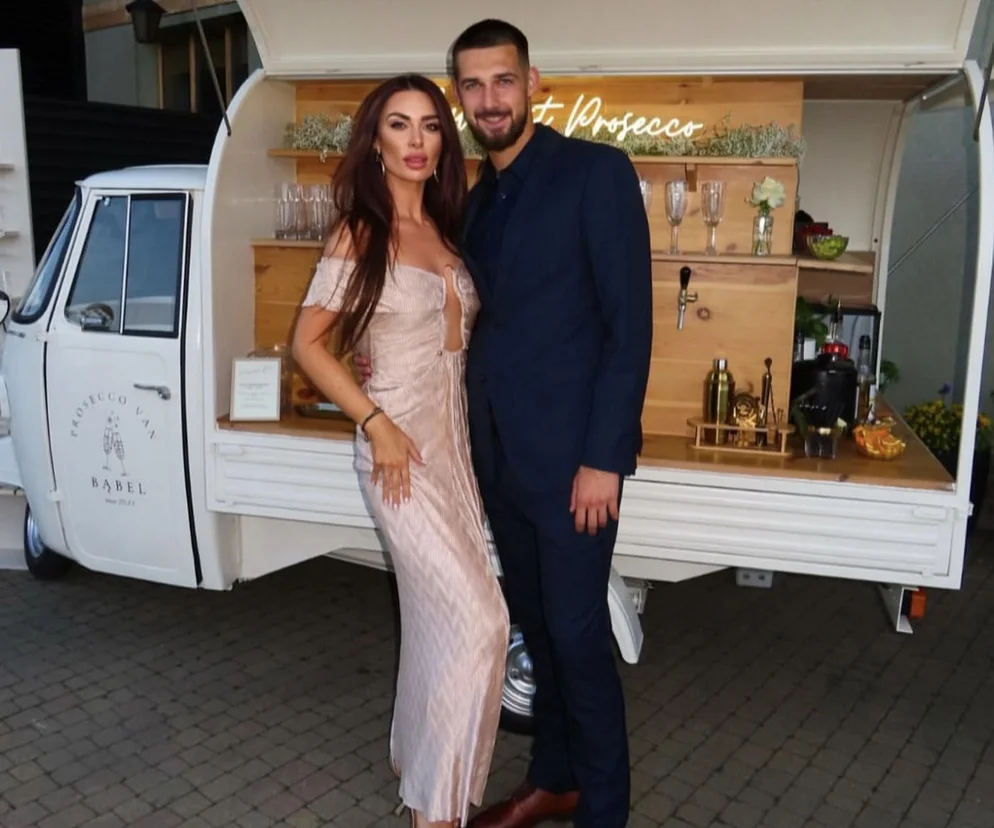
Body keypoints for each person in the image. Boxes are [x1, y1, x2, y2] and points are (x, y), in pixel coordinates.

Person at [356, 19, 654, 828]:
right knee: (538, 630)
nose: (489, 99)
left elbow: (629, 328)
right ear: (460, 96)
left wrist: (604, 459)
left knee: (578, 637)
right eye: (473, 85)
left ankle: (604, 811)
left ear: (533, 83)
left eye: (502, 80)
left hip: (575, 468)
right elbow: (449, 316)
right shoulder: (472, 202)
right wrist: (373, 361)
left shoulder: (595, 173)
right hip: (495, 464)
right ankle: (553, 779)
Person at [291, 73, 509, 828]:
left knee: (435, 622)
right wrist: (374, 421)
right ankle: (435, 809)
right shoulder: (361, 232)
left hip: (456, 458)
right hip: (396, 458)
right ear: (375, 141)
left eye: (430, 125)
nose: (416, 140)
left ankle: (415, 760)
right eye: (399, 124)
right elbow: (307, 344)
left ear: (444, 141)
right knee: (480, 621)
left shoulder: (450, 231)